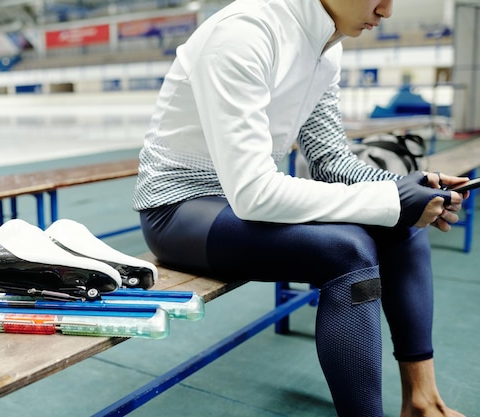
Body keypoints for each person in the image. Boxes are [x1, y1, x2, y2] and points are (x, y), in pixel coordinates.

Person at [131, 0, 468, 415]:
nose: (387, 10)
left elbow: (330, 160)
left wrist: (405, 187)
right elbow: (255, 192)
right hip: (179, 209)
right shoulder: (244, 32)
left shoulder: (327, 45)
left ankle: (423, 402)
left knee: (404, 223)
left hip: (241, 203)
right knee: (347, 250)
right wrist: (390, 199)